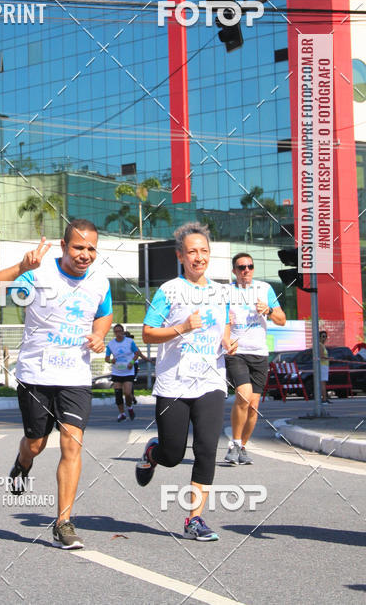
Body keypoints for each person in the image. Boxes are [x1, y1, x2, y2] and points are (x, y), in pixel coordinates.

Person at [0, 218, 112, 550]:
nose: (84, 254)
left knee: (72, 444)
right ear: (63, 246)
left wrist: (99, 334)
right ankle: (22, 462)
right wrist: (19, 267)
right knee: (36, 444)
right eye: (78, 247)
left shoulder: (100, 280)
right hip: (36, 375)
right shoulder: (38, 275)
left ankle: (63, 523)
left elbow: (104, 312)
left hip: (75, 377)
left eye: (90, 248)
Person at [135, 222, 237, 541]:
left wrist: (228, 342)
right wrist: (182, 327)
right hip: (174, 383)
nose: (199, 257)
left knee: (207, 449)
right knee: (173, 453)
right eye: (192, 251)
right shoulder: (169, 291)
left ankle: (194, 519)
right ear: (181, 256)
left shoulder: (223, 291)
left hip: (210, 382)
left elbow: (225, 328)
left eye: (204, 251)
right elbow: (148, 333)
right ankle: (154, 454)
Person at [224, 253, 286, 464]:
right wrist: (225, 337)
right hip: (236, 351)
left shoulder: (264, 289)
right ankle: (233, 443)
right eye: (241, 267)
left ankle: (242, 447)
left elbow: (282, 320)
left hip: (259, 353)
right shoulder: (226, 292)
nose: (246, 270)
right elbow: (217, 321)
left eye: (250, 266)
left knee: (253, 405)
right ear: (234, 271)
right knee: (243, 394)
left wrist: (268, 310)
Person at [105, 324, 140, 421]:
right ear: (114, 333)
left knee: (128, 393)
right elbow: (107, 358)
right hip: (117, 371)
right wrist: (111, 360)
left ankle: (130, 407)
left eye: (120, 331)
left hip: (128, 371)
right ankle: (122, 413)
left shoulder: (129, 342)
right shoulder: (111, 344)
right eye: (116, 332)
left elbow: (137, 353)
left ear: (123, 332)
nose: (118, 333)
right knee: (118, 393)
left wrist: (132, 362)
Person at [319, 330, 331, 403]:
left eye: (326, 336)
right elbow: (321, 356)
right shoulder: (320, 345)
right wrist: (329, 358)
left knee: (324, 383)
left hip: (325, 366)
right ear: (319, 337)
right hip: (322, 366)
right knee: (322, 383)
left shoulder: (323, 345)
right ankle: (323, 399)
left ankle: (324, 398)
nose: (325, 338)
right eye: (323, 336)